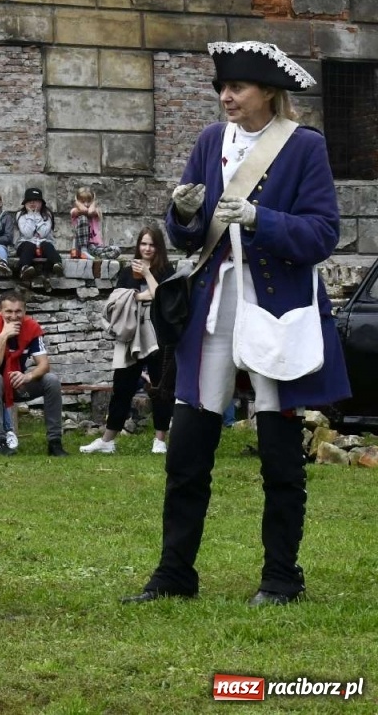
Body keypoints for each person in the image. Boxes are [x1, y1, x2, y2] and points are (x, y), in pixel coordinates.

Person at [125, 41, 349, 607]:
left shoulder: (304, 148)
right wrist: (182, 214)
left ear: (268, 93)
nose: (226, 97)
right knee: (189, 445)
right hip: (214, 307)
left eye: (238, 88)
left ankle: (280, 577)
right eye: (223, 88)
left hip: (277, 309)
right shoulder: (208, 142)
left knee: (277, 445)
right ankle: (175, 573)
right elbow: (190, 237)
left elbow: (322, 234)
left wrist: (259, 217)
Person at [82, 227, 174, 455]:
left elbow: (164, 296)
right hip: (131, 335)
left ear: (159, 247)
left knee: (161, 387)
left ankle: (160, 440)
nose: (147, 249)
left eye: (152, 244)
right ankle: (108, 440)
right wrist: (141, 295)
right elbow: (118, 300)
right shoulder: (126, 271)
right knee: (122, 387)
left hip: (158, 335)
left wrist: (148, 275)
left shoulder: (165, 270)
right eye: (143, 244)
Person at [0, 291, 66, 456]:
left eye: (18, 311)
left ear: (24, 312)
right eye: (8, 312)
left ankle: (55, 443)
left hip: (14, 381)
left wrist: (28, 376)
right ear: (0, 311)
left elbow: (44, 364)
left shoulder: (31, 327)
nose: (13, 316)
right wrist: (3, 336)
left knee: (51, 380)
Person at [15, 187, 63, 282]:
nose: (32, 203)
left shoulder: (47, 214)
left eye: (36, 201)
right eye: (29, 201)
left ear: (41, 203)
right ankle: (25, 268)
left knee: (48, 246)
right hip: (26, 244)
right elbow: (27, 234)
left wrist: (36, 215)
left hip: (43, 243)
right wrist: (30, 215)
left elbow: (43, 233)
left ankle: (57, 264)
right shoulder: (20, 215)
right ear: (25, 203)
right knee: (29, 246)